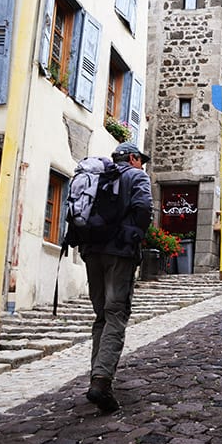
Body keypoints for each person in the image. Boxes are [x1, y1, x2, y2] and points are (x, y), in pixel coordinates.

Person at [81, 141, 152, 413]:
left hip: (91, 251)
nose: (142, 164)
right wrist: (134, 236)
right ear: (133, 158)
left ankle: (96, 376)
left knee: (101, 316)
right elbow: (144, 207)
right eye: (141, 159)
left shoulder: (96, 176)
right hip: (119, 254)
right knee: (115, 314)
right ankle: (101, 382)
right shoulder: (137, 176)